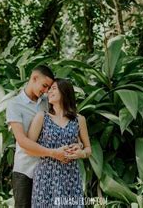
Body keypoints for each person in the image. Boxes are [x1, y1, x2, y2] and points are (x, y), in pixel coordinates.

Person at [6, 65, 73, 208]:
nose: (46, 90)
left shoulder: (47, 102)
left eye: (49, 87)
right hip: (24, 171)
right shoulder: (14, 105)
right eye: (44, 86)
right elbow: (22, 141)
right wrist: (53, 153)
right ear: (34, 78)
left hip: (48, 172)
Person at [28, 78, 92, 207]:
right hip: (46, 176)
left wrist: (81, 153)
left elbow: (88, 149)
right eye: (49, 89)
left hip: (71, 176)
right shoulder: (42, 117)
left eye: (53, 88)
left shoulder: (79, 120)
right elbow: (29, 147)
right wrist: (53, 153)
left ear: (64, 91)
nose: (49, 92)